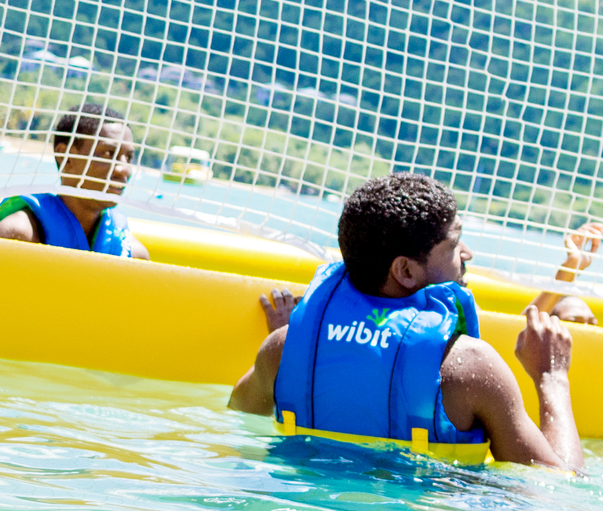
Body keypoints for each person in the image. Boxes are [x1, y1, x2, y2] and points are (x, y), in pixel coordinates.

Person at [229, 173, 583, 470]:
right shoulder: (471, 369)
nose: (467, 254)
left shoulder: (282, 349)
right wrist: (552, 378)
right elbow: (556, 496)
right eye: (453, 244)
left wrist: (296, 352)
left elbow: (237, 424)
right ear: (406, 270)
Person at [0, 102, 151, 259]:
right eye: (108, 154)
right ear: (66, 157)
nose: (124, 169)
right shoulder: (18, 234)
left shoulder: (134, 255)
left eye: (128, 158)